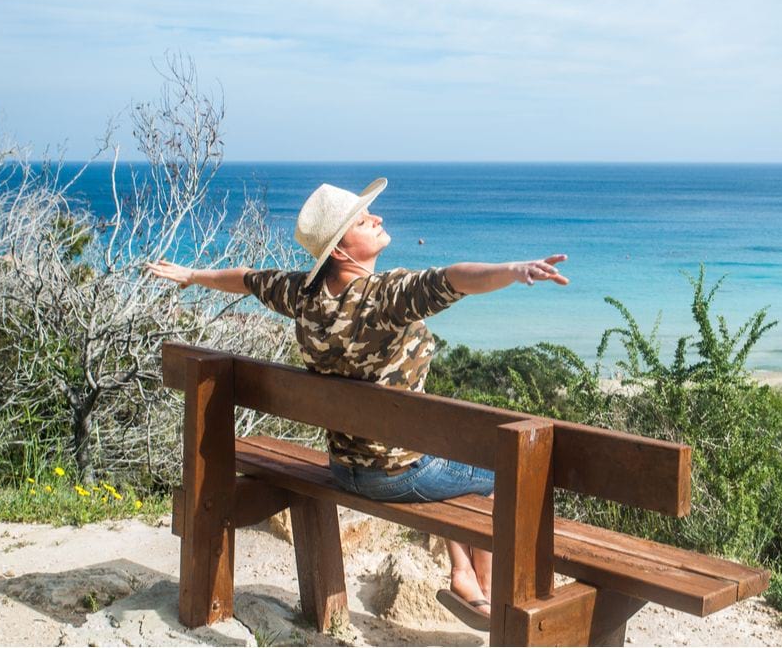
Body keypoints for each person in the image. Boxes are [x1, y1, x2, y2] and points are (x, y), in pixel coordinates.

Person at [146, 178, 568, 630]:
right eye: (365, 220)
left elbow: (248, 280)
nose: (379, 219)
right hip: (395, 474)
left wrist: (193, 276)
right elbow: (453, 277)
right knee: (505, 472)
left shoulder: (302, 296)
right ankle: (476, 579)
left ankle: (466, 573)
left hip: (344, 466)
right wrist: (513, 270)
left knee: (449, 458)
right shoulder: (384, 298)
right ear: (342, 249)